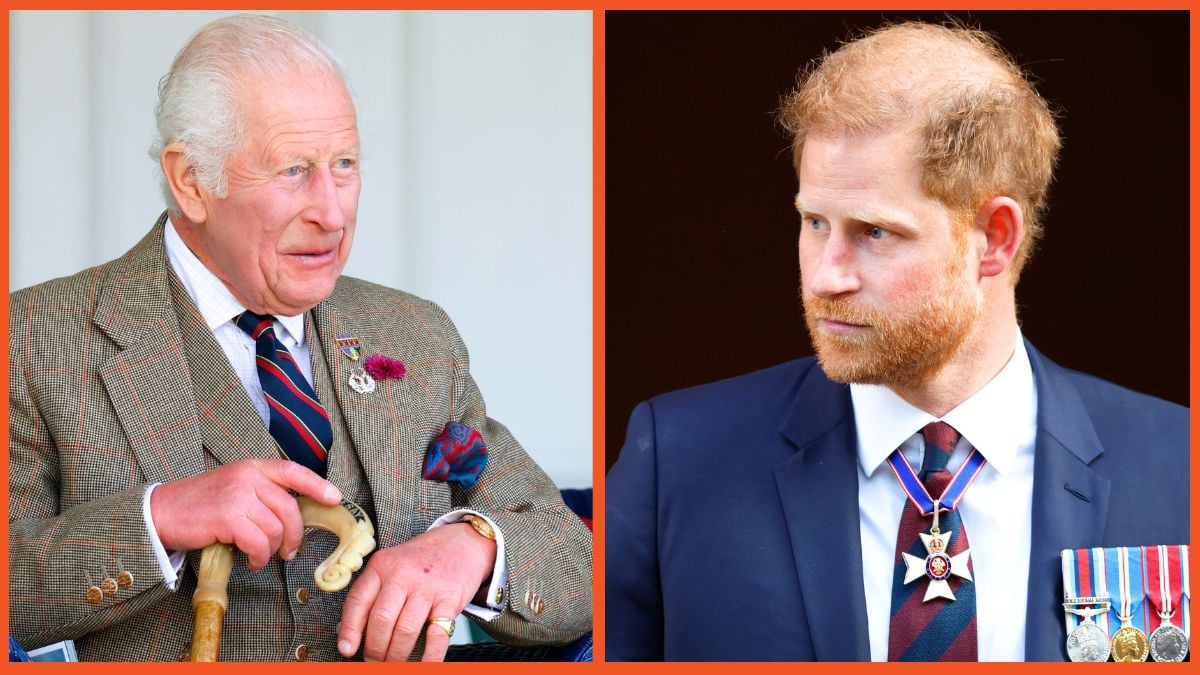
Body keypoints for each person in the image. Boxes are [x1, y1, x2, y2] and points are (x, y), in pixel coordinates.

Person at [9, 14, 591, 662]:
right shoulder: (33, 338)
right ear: (191, 181)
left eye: (344, 164)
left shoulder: (417, 335)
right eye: (293, 170)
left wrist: (474, 544)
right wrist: (158, 519)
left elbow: (574, 558)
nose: (333, 211)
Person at [605, 20, 1188, 662]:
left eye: (875, 232)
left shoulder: (1177, 467)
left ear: (993, 238)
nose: (827, 275)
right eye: (814, 221)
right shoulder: (679, 461)